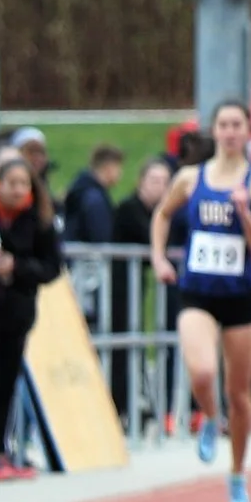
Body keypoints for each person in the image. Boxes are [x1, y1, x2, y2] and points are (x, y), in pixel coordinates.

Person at [151, 99, 251, 502]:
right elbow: (162, 215)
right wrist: (158, 256)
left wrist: (243, 211)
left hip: (240, 296)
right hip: (197, 292)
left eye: (238, 124)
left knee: (241, 394)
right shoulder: (190, 177)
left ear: (249, 131)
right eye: (224, 124)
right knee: (202, 372)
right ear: (214, 131)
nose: (231, 131)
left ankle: (237, 474)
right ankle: (208, 415)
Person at [0, 153, 63, 478]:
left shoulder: (40, 221)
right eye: (12, 183)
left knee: (5, 383)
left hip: (15, 314)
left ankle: (0, 451)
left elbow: (52, 268)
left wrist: (16, 267)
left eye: (24, 184)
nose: (18, 190)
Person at [106, 156, 172, 420]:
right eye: (155, 180)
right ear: (141, 182)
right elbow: (154, 239)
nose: (161, 187)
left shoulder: (156, 213)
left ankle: (134, 401)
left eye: (166, 182)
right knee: (121, 344)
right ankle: (121, 404)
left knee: (136, 341)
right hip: (116, 289)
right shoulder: (129, 209)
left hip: (135, 289)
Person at [61, 144, 122, 245]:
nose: (120, 173)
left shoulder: (80, 189)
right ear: (108, 167)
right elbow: (101, 237)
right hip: (86, 258)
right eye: (118, 167)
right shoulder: (94, 198)